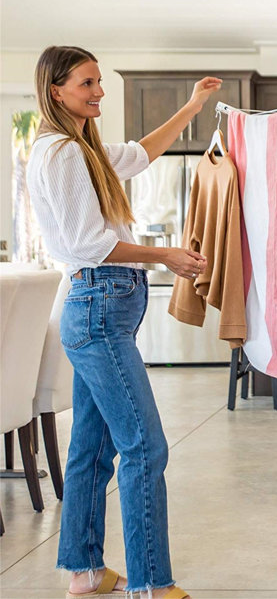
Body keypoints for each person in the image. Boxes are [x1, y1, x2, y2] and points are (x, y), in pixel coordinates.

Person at [27, 45, 222, 599]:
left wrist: (191, 107)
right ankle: (151, 584)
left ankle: (85, 573)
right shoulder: (64, 153)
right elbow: (90, 244)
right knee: (144, 446)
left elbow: (138, 155)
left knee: (92, 450)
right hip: (98, 313)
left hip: (96, 311)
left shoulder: (77, 149)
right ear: (56, 89)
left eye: (98, 82)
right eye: (87, 83)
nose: (99, 92)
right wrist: (165, 256)